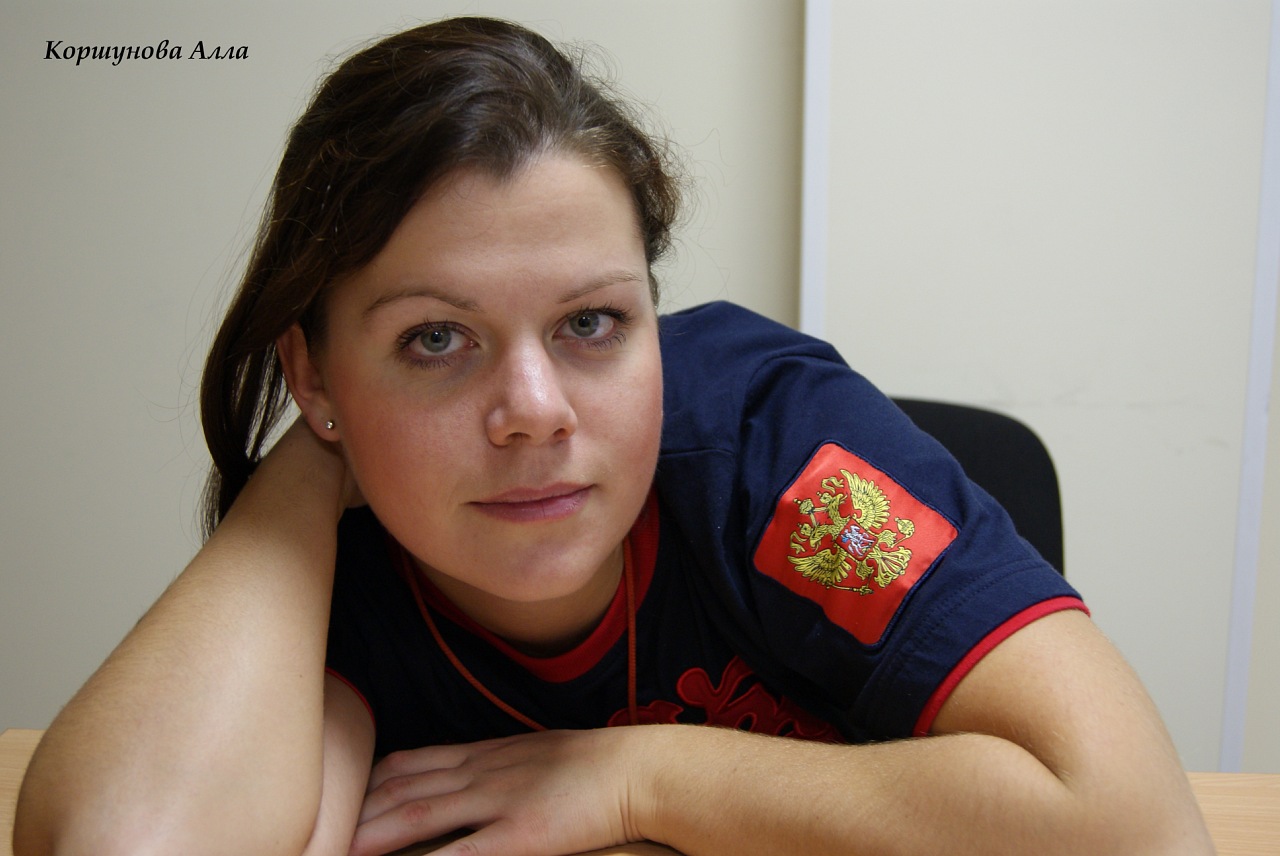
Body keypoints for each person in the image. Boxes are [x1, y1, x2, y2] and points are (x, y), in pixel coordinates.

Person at [14, 16, 1213, 856]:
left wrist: (635, 775)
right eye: (434, 338)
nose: (534, 406)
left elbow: (1135, 827)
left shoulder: (778, 460)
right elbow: (132, 842)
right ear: (315, 373)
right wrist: (308, 463)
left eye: (590, 322)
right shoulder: (340, 564)